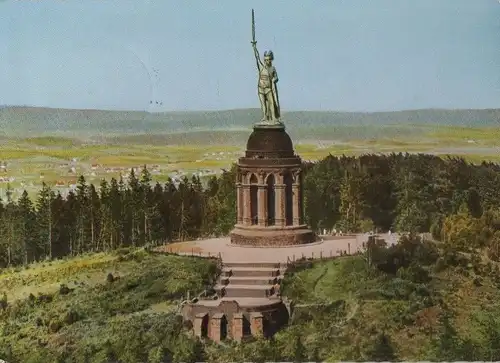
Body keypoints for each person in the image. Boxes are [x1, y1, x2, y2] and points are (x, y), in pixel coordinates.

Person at [251, 42, 280, 122]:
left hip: (268, 89)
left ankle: (274, 117)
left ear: (271, 59)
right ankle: (265, 116)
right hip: (261, 89)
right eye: (265, 60)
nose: (267, 61)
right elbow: (256, 57)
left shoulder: (272, 68)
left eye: (268, 60)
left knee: (271, 103)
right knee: (263, 104)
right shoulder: (261, 67)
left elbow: (276, 77)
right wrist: (254, 48)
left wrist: (274, 80)